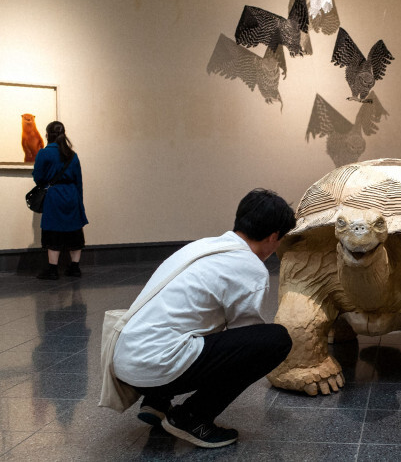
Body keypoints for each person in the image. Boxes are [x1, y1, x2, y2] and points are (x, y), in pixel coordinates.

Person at [112, 188, 296, 449]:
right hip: (156, 366)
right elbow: (245, 338)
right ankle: (192, 417)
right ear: (273, 237)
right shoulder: (250, 267)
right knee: (274, 340)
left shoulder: (202, 246)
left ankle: (156, 402)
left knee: (194, 324)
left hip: (124, 361)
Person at [32, 121, 88, 280]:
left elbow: (38, 177)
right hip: (72, 194)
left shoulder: (44, 153)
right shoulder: (72, 155)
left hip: (54, 195)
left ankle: (52, 269)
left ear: (48, 134)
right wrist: (79, 201)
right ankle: (75, 267)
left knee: (53, 231)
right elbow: (79, 181)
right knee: (75, 230)